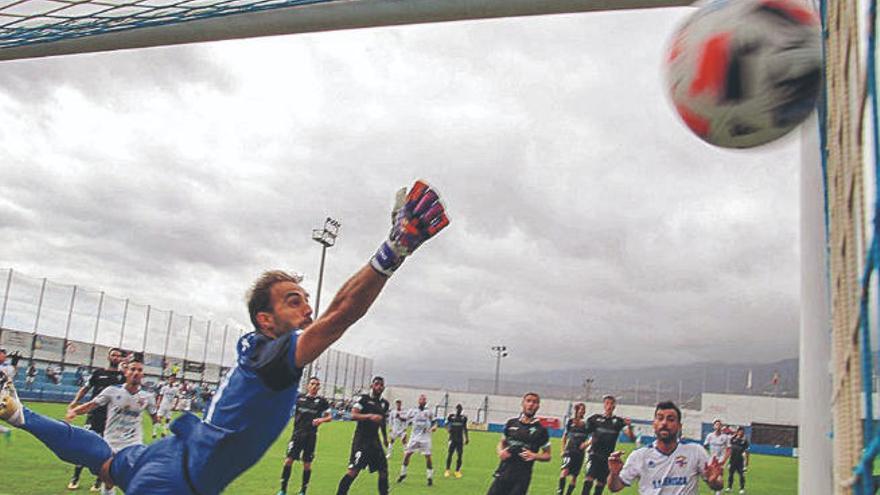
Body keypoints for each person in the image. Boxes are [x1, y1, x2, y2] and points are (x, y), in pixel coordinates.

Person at [0, 179, 448, 495]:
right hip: (178, 483)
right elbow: (340, 315)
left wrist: (26, 418)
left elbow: (333, 311)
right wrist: (394, 251)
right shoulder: (273, 360)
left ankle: (19, 415)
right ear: (265, 320)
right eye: (293, 300)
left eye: (304, 299)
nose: (306, 309)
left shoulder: (261, 354)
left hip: (166, 456)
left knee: (103, 458)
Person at [66, 359, 159, 495]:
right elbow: (92, 404)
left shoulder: (148, 397)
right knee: (108, 480)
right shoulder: (112, 391)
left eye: (139, 370)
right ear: (126, 372)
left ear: (143, 375)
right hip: (111, 442)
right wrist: (74, 411)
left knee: (135, 477)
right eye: (132, 369)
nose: (136, 373)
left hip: (133, 443)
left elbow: (154, 416)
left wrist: (160, 425)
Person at [607, 401, 724, 494]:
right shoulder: (640, 455)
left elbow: (717, 485)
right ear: (654, 424)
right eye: (660, 418)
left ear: (679, 426)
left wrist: (714, 480)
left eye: (670, 419)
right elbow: (615, 487)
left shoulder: (695, 451)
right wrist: (614, 474)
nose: (664, 423)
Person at [66, 347, 126, 491]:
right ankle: (75, 477)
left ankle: (99, 480)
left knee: (107, 450)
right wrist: (75, 402)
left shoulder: (122, 377)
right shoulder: (98, 373)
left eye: (118, 356)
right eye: (113, 355)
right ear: (108, 357)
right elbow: (86, 388)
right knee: (85, 446)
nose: (116, 358)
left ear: (121, 359)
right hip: (93, 416)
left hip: (112, 419)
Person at [486, 392, 552, 495]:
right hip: (503, 473)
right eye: (528, 401)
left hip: (521, 478)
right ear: (523, 403)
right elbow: (502, 442)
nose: (531, 404)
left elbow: (547, 455)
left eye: (534, 402)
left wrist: (534, 455)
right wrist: (500, 452)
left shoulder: (541, 430)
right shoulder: (511, 423)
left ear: (538, 406)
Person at [336, 376, 391, 495]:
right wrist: (369, 416)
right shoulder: (363, 399)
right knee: (353, 471)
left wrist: (385, 437)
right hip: (361, 440)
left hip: (375, 441)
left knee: (383, 470)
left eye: (381, 385)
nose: (379, 387)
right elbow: (353, 415)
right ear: (372, 386)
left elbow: (382, 421)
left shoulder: (384, 404)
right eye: (376, 384)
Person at [277, 376, 332, 495]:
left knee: (307, 464)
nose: (314, 386)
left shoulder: (322, 401)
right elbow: (285, 405)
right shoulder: (299, 398)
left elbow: (329, 417)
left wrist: (321, 420)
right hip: (297, 434)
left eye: (317, 384)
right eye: (312, 384)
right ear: (308, 385)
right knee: (288, 461)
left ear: (319, 387)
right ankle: (283, 489)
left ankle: (303, 491)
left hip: (311, 436)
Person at [582, 395, 635, 495]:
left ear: (614, 406)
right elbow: (585, 432)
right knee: (588, 479)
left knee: (600, 485)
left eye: (611, 403)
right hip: (594, 454)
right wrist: (585, 443)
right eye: (607, 403)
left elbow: (631, 438)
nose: (609, 406)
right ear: (604, 405)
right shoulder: (595, 419)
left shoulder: (618, 422)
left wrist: (629, 427)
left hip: (607, 458)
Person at [396, 394, 436, 486]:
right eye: (421, 399)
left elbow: (434, 422)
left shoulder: (429, 412)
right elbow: (404, 418)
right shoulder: (413, 411)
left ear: (425, 402)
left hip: (425, 438)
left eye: (424, 399)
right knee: (407, 455)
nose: (422, 401)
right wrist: (399, 416)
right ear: (418, 401)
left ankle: (429, 477)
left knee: (428, 457)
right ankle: (403, 474)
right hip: (414, 437)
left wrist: (434, 427)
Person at [558, 403, 588, 495]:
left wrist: (586, 444)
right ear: (577, 410)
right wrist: (563, 450)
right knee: (564, 472)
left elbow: (593, 437)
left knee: (574, 476)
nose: (583, 411)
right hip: (569, 450)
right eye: (581, 409)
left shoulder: (586, 424)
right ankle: (560, 492)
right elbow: (564, 436)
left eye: (584, 410)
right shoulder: (570, 422)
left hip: (579, 453)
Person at [704, 419, 731, 495]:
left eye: (719, 425)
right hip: (712, 457)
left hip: (721, 458)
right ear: (713, 426)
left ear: (721, 427)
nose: (718, 426)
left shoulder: (725, 437)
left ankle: (719, 490)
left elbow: (729, 449)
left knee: (719, 473)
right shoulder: (710, 436)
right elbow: (705, 445)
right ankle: (714, 486)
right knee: (710, 473)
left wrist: (725, 459)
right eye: (716, 424)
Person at [444, 403, 469, 478]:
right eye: (458, 409)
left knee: (460, 455)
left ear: (462, 410)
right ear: (456, 409)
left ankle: (457, 471)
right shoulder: (451, 417)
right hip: (452, 438)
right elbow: (446, 424)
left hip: (460, 439)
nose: (459, 411)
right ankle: (447, 470)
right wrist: (448, 429)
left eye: (460, 409)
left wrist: (467, 438)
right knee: (450, 454)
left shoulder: (463, 418)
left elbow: (465, 428)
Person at [727, 427, 749, 494]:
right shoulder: (733, 439)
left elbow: (747, 452)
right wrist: (729, 462)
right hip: (732, 460)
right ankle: (729, 487)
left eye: (742, 431)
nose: (740, 432)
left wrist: (746, 464)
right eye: (739, 431)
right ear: (737, 431)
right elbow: (729, 451)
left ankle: (742, 488)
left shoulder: (745, 441)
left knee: (741, 475)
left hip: (740, 461)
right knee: (731, 474)